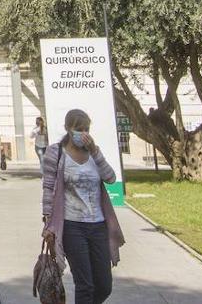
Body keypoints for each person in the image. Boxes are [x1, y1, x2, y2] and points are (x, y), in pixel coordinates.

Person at [41, 109, 124, 304]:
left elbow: (111, 178)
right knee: (85, 285)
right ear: (68, 129)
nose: (83, 133)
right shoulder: (56, 152)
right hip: (72, 225)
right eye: (78, 129)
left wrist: (95, 151)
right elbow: (48, 187)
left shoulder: (94, 152)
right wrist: (48, 223)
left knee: (104, 285)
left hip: (98, 225)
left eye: (86, 129)